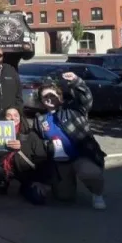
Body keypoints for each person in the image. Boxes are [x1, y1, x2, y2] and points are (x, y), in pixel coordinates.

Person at [32, 72, 107, 209]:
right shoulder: (40, 119)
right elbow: (38, 145)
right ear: (41, 101)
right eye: (45, 97)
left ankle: (97, 194)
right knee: (64, 197)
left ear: (60, 97)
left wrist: (76, 81)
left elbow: (86, 98)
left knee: (89, 173)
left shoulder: (73, 109)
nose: (49, 99)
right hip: (60, 162)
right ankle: (63, 184)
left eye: (52, 95)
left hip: (81, 156)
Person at [0, 106, 49, 205]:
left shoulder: (31, 135)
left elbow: (41, 158)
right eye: (9, 115)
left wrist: (38, 180)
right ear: (4, 118)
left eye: (15, 115)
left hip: (27, 174)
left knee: (37, 198)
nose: (12, 118)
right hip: (4, 172)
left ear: (20, 117)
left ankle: (23, 186)